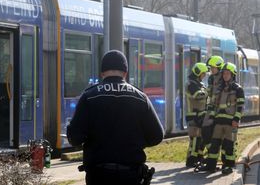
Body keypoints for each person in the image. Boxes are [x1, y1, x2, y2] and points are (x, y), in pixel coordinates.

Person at [67, 50, 164, 185]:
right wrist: (134, 143)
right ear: (125, 73)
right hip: (131, 175)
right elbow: (157, 136)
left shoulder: (89, 96)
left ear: (102, 73)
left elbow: (75, 137)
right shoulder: (140, 97)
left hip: (98, 175)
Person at [197, 62, 245, 174]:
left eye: (228, 73)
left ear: (232, 75)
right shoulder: (219, 88)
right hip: (218, 122)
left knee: (229, 146)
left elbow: (240, 106)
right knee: (214, 145)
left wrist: (236, 120)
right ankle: (210, 166)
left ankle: (229, 166)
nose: (225, 75)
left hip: (230, 122)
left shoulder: (238, 89)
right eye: (224, 73)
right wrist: (211, 119)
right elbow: (214, 105)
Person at [185, 62, 209, 167]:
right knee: (195, 139)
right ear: (198, 73)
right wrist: (207, 92)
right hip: (193, 116)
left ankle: (198, 157)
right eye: (203, 74)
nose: (204, 76)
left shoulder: (199, 84)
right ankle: (191, 160)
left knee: (200, 138)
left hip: (200, 115)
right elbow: (198, 95)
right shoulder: (191, 84)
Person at [201, 56, 224, 156]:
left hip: (221, 110)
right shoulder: (211, 78)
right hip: (211, 108)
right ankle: (211, 151)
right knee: (205, 130)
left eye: (213, 68)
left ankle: (216, 155)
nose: (211, 70)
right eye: (210, 68)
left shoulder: (224, 78)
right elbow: (209, 92)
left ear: (219, 67)